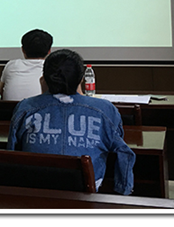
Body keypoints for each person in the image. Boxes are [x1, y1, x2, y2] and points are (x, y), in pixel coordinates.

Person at [7, 49, 135, 195]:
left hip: (34, 192)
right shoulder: (105, 109)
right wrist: (122, 192)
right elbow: (123, 151)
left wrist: (45, 94)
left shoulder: (26, 107)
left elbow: (12, 152)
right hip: (87, 194)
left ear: (44, 78)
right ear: (81, 79)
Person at [0, 29, 52, 101]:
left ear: (23, 49)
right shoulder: (53, 68)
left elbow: (1, 92)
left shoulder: (11, 65)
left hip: (11, 108)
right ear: (49, 51)